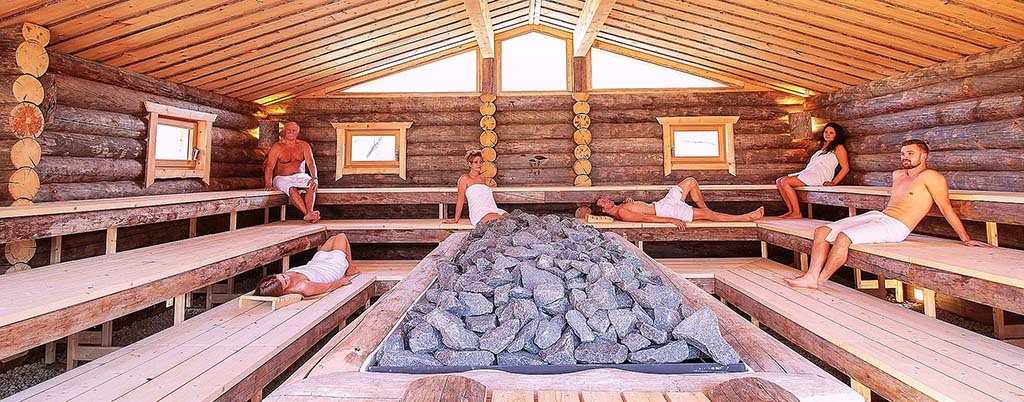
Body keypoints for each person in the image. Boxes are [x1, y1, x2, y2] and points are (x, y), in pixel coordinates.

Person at [786, 139, 995, 289]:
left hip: (897, 226)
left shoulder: (931, 177)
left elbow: (945, 208)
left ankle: (820, 280)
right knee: (822, 231)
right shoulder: (898, 175)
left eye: (910, 153)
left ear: (924, 156)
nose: (905, 157)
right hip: (881, 216)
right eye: (903, 154)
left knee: (843, 237)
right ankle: (811, 276)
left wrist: (966, 239)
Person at [593, 177, 764, 229]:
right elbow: (647, 219)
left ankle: (707, 211)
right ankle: (746, 218)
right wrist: (671, 220)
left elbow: (640, 209)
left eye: (604, 198)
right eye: (603, 202)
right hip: (666, 212)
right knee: (707, 215)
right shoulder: (622, 212)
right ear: (604, 210)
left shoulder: (622, 207)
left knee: (690, 182)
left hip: (663, 204)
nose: (606, 199)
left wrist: (629, 202)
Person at [776, 122, 850, 218]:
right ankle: (791, 211)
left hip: (820, 176)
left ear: (837, 135)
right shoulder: (823, 147)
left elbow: (845, 168)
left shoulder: (839, 148)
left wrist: (834, 182)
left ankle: (797, 213)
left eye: (831, 133)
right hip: (810, 173)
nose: (827, 134)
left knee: (785, 182)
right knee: (779, 181)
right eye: (826, 132)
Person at [254, 234, 359, 297]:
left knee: (333, 238)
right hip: (332, 268)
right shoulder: (303, 287)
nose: (287, 277)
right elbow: (327, 287)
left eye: (282, 276)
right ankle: (349, 268)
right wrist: (342, 282)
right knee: (341, 236)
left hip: (316, 263)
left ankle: (349, 266)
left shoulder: (280, 282)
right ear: (283, 291)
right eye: (285, 282)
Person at [264, 121, 320, 223]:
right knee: (292, 188)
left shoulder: (304, 145)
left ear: (297, 132)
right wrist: (268, 184)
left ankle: (309, 212)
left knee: (312, 185)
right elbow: (269, 167)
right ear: (284, 131)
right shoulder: (277, 147)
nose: (291, 132)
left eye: (293, 130)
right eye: (288, 130)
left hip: (300, 176)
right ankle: (307, 214)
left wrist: (314, 178)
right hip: (282, 177)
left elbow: (311, 163)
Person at [446, 150, 509, 225]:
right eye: (476, 162)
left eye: (481, 162)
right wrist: (456, 220)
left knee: (511, 218)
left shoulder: (483, 178)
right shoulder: (464, 178)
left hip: (492, 209)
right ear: (470, 164)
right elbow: (460, 200)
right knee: (503, 221)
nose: (479, 164)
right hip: (479, 212)